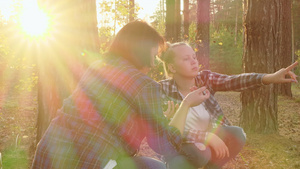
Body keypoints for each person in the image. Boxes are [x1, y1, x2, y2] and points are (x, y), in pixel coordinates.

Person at [31, 21, 209, 169]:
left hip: (46, 156)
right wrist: (186, 104)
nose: (154, 64)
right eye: (153, 55)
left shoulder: (96, 69)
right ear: (141, 51)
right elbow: (163, 145)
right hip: (88, 163)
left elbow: (103, 118)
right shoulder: (144, 84)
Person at [158, 42, 298, 169]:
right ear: (172, 67)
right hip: (181, 148)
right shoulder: (162, 90)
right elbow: (167, 132)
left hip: (207, 143)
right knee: (201, 154)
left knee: (236, 134)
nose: (194, 62)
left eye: (194, 57)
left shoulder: (205, 79)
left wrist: (269, 77)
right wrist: (204, 136)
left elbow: (234, 80)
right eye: (186, 59)